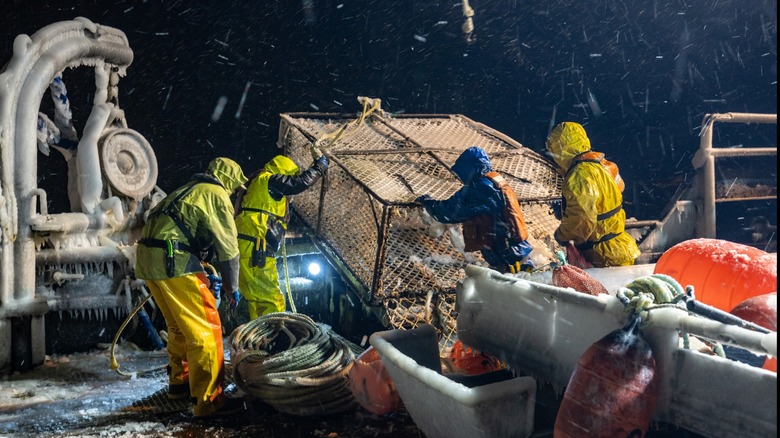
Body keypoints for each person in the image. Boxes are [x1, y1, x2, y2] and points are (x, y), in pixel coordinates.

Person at [135, 157, 247, 417]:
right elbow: (229, 248)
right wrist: (232, 286)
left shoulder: (188, 190)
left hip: (149, 259)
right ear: (229, 181)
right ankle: (209, 401)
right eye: (236, 187)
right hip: (174, 261)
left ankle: (180, 381)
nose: (235, 192)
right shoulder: (216, 194)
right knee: (206, 331)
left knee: (178, 326)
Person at [234, 147, 329, 320]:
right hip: (257, 249)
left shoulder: (257, 184)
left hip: (249, 247)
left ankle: (261, 338)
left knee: (257, 298)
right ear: (283, 171)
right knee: (272, 298)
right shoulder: (270, 180)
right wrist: (319, 167)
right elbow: (300, 183)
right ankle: (276, 337)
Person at [415, 146, 534, 274]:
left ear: (471, 169)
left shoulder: (481, 189)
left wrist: (427, 202)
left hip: (509, 260)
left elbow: (449, 212)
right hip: (517, 254)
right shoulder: (494, 181)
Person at [545, 121, 640, 267]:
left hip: (601, 256)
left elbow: (583, 217)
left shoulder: (578, 175)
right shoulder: (603, 164)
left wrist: (562, 234)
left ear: (560, 149)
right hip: (620, 247)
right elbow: (619, 188)